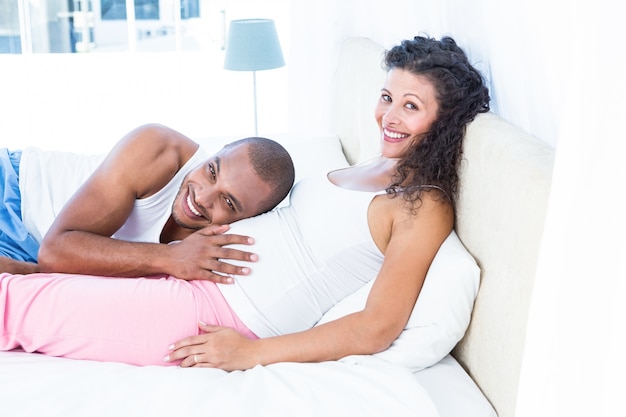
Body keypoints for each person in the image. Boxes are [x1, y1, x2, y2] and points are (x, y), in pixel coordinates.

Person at [0, 35, 489, 369]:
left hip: (217, 316)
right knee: (21, 275)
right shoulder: (363, 165)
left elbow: (377, 327)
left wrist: (250, 355)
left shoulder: (421, 204)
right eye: (387, 96)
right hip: (188, 279)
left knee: (13, 307)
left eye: (411, 106)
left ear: (443, 123)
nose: (389, 115)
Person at [0, 123, 295, 282]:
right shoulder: (157, 147)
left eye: (228, 202)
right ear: (215, 153)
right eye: (212, 171)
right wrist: (169, 258)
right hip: (14, 187)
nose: (202, 197)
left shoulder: (220, 247)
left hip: (29, 247)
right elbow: (56, 251)